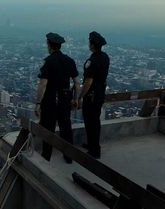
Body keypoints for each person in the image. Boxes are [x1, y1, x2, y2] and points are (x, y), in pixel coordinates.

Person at [34, 32, 80, 164]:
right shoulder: (70, 61)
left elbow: (43, 84)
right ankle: (68, 156)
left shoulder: (48, 62)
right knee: (66, 127)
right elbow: (77, 82)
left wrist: (38, 103)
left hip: (50, 100)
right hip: (65, 99)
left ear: (49, 45)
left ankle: (46, 156)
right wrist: (75, 99)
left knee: (48, 128)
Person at [78, 31, 109, 159]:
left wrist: (80, 95)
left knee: (90, 122)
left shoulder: (92, 60)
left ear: (92, 45)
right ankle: (92, 145)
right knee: (95, 121)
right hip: (100, 93)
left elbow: (88, 81)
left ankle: (94, 150)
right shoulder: (105, 57)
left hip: (91, 96)